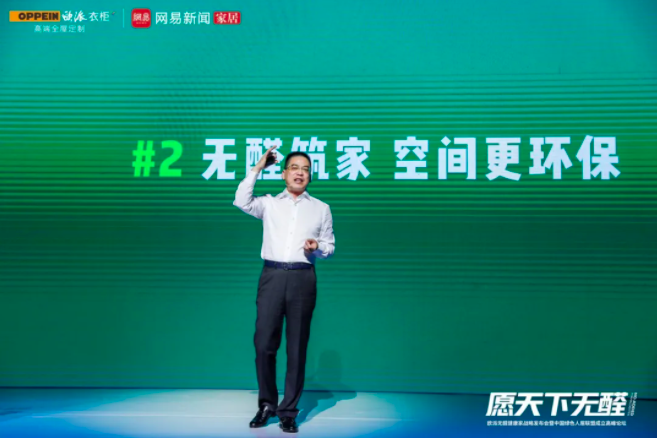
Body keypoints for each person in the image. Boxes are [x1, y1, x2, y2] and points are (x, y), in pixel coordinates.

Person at [233, 145, 335, 433]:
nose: (300, 173)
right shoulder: (269, 204)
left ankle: (288, 410)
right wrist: (257, 168)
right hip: (272, 276)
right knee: (264, 344)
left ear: (310, 176)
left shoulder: (321, 208)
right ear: (283, 174)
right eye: (294, 168)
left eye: (305, 169)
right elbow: (241, 200)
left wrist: (318, 247)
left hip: (303, 277)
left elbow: (330, 247)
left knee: (297, 347)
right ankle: (267, 404)